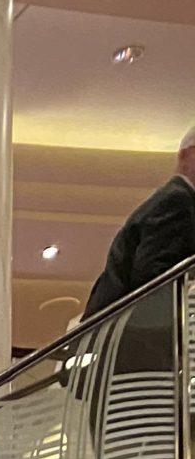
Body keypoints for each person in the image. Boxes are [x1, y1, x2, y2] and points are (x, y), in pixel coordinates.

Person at [84, 125, 195, 317]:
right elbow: (156, 282)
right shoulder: (177, 201)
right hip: (134, 333)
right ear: (187, 156)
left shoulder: (174, 199)